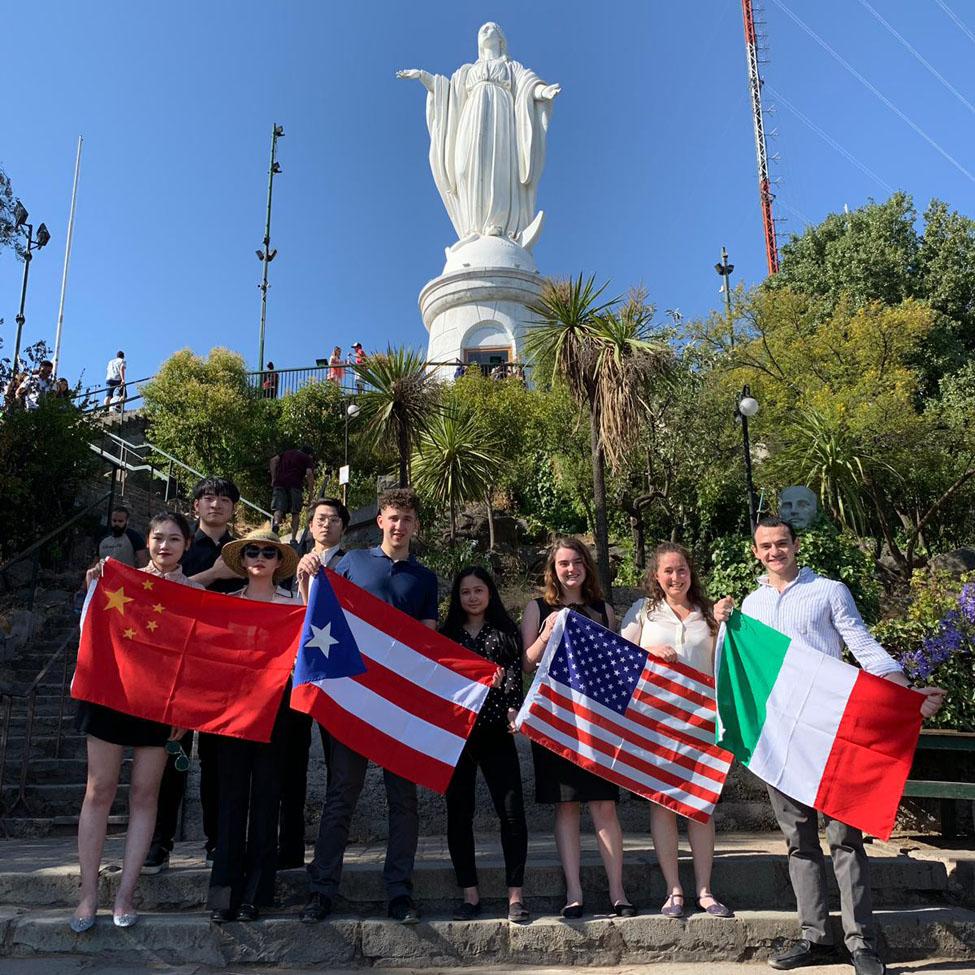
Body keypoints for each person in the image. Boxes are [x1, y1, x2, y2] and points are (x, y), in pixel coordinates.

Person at [715, 517, 945, 975]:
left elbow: (862, 645)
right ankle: (815, 937)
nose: (775, 551)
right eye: (766, 546)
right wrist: (724, 623)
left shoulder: (829, 591)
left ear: (795, 545)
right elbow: (735, 666)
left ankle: (862, 943)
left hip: (831, 735)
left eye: (782, 543)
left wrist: (905, 693)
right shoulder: (752, 604)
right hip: (781, 742)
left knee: (844, 839)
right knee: (798, 841)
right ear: (756, 552)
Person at [300, 487, 438, 925]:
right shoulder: (351, 562)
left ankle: (399, 892)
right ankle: (322, 890)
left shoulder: (425, 578)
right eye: (393, 517)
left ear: (416, 526)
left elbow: (428, 643)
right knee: (341, 795)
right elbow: (318, 616)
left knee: (404, 801)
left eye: (407, 519)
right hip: (354, 700)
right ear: (380, 520)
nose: (399, 526)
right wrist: (305, 576)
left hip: (399, 706)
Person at [72, 510, 201, 932]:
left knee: (146, 796)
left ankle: (125, 895)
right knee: (99, 791)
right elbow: (90, 627)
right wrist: (95, 584)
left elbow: (197, 660)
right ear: (147, 541)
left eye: (175, 540)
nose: (166, 546)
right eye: (159, 538)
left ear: (186, 546)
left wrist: (184, 710)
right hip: (111, 696)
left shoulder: (194, 596)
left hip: (161, 707)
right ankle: (88, 895)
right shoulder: (117, 578)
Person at [619, 543, 733, 920]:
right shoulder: (643, 612)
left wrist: (729, 621)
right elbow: (621, 660)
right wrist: (650, 653)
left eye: (681, 570)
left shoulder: (710, 615)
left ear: (690, 573)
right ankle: (674, 891)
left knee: (701, 807)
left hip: (701, 722)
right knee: (663, 804)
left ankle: (705, 890)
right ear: (656, 576)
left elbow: (725, 665)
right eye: (668, 571)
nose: (675, 577)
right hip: (657, 723)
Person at [521, 536, 633, 919]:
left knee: (604, 806)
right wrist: (547, 633)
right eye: (563, 564)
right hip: (555, 723)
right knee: (566, 808)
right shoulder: (537, 608)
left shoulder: (603, 610)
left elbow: (617, 669)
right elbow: (525, 662)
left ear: (587, 567)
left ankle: (617, 892)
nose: (571, 570)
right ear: (553, 569)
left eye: (577, 563)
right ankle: (574, 893)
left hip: (596, 724)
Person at [143, 477, 242, 874]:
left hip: (224, 669)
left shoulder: (243, 551)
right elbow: (159, 592)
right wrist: (213, 575)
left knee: (219, 763)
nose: (215, 504)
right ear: (196, 506)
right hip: (175, 670)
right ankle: (158, 845)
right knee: (170, 758)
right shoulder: (181, 546)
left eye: (223, 499)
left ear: (234, 507)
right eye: (207, 498)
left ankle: (217, 843)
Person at [207, 529, 301, 923]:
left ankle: (256, 895)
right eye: (252, 551)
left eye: (268, 552)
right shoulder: (225, 604)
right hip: (232, 714)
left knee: (266, 801)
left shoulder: (296, 606)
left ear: (279, 562)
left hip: (278, 714)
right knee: (230, 802)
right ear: (242, 561)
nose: (260, 557)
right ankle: (224, 894)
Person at [440, 567, 529, 923]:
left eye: (479, 590)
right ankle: (470, 895)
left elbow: (512, 680)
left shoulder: (505, 632)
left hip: (495, 732)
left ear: (490, 593)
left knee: (511, 813)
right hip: (458, 735)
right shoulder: (448, 635)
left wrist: (512, 709)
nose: (473, 597)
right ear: (457, 597)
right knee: (459, 815)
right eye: (466, 592)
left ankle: (515, 897)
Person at [278, 497, 351, 869]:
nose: (326, 524)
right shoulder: (286, 564)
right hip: (291, 674)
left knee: (338, 766)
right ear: (309, 525)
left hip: (333, 676)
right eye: (319, 519)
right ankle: (288, 847)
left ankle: (327, 853)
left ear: (343, 527)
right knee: (291, 763)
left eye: (333, 519)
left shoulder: (351, 564)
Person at [270, 445, 315, 540]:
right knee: (295, 512)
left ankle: (276, 524)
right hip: (295, 485)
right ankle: (293, 539)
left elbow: (273, 460)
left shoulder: (287, 452)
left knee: (278, 508)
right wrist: (311, 493)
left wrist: (273, 478)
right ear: (310, 454)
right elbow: (309, 473)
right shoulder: (307, 458)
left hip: (280, 483)